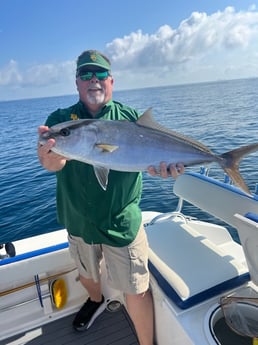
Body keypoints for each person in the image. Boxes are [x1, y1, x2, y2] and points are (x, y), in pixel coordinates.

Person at [38, 49, 184, 345]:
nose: (94, 79)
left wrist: (171, 169)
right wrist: (51, 153)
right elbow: (52, 162)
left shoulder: (132, 119)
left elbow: (158, 156)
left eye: (100, 74)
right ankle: (95, 300)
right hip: (78, 219)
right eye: (86, 74)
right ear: (77, 83)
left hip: (122, 221)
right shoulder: (61, 120)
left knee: (136, 288)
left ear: (112, 81)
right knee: (87, 274)